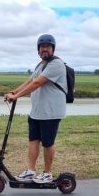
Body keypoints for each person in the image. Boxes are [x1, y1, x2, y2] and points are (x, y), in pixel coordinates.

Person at [4, 34, 67, 184]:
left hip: (50, 113)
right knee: (33, 140)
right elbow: (30, 81)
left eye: (48, 46)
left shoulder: (56, 64)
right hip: (37, 112)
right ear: (38, 49)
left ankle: (47, 174)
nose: (44, 49)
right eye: (41, 46)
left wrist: (17, 96)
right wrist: (14, 92)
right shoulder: (40, 65)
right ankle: (30, 171)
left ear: (53, 48)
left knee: (48, 143)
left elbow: (38, 83)